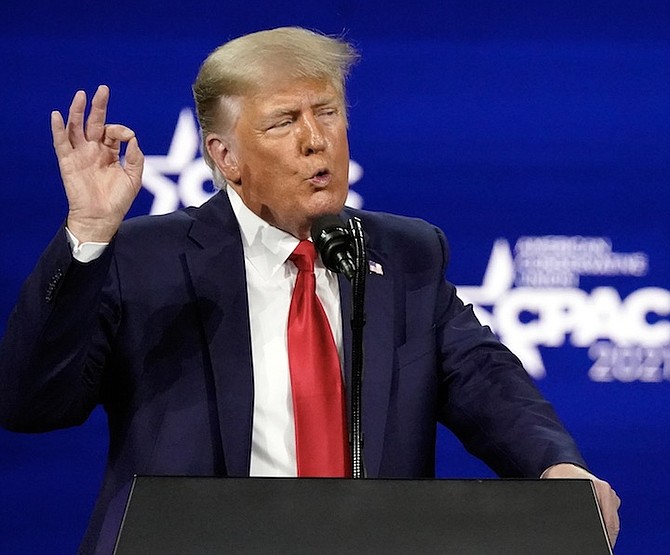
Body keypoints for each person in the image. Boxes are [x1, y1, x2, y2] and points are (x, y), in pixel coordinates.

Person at [0, 27, 620, 554]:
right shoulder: (146, 259)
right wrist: (86, 234)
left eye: (327, 112)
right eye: (283, 122)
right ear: (225, 157)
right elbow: (32, 403)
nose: (315, 140)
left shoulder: (405, 254)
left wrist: (554, 465)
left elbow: (483, 377)